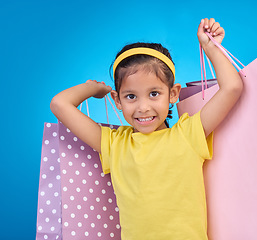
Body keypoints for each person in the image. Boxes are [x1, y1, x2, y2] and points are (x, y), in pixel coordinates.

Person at [50, 18, 243, 240]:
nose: (143, 107)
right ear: (117, 100)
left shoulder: (188, 135)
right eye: (131, 96)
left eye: (154, 94)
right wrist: (91, 88)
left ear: (173, 94)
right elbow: (59, 104)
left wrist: (210, 47)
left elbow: (232, 87)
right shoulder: (115, 144)